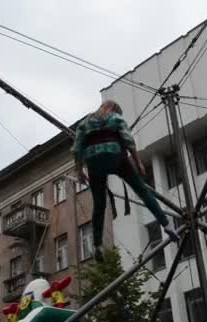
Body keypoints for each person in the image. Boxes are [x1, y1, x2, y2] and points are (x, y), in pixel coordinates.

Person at [73, 100, 180, 261]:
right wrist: (138, 162)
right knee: (142, 191)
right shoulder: (115, 117)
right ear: (113, 108)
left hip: (94, 160)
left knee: (99, 204)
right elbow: (127, 139)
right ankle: (167, 225)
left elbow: (77, 148)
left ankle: (97, 244)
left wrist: (79, 170)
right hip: (116, 156)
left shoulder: (84, 123)